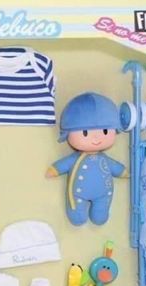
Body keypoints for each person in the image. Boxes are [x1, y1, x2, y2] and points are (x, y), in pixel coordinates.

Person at [46, 92, 126, 226]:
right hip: (78, 194)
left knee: (100, 216)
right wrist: (54, 169)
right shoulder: (75, 159)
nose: (96, 138)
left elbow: (115, 167)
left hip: (104, 193)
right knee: (77, 217)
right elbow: (63, 164)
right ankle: (78, 215)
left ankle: (100, 214)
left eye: (105, 131)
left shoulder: (104, 159)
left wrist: (124, 172)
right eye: (85, 133)